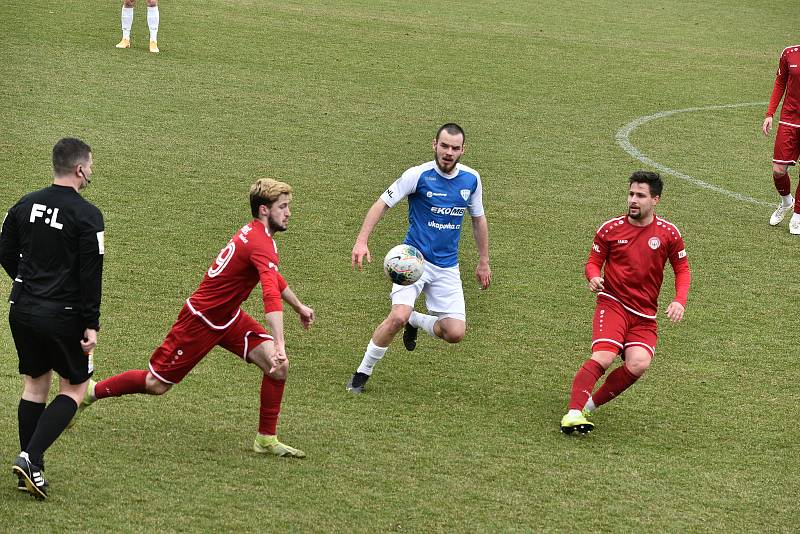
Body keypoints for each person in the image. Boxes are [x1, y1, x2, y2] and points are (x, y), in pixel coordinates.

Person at [76, 178, 313, 458]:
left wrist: (298, 306)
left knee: (277, 368)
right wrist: (281, 343)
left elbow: (270, 275)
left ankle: (266, 439)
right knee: (155, 384)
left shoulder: (257, 236)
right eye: (283, 207)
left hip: (228, 318)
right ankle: (90, 392)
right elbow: (270, 296)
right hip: (199, 321)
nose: (288, 213)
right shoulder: (261, 242)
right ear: (264, 210)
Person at [346, 123, 491, 394]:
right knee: (396, 317)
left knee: (455, 333)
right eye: (444, 146)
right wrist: (361, 241)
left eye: (455, 148)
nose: (449, 152)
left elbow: (478, 219)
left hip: (447, 267)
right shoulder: (418, 175)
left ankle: (415, 320)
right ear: (434, 145)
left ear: (463, 150)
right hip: (412, 261)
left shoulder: (472, 179)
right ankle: (361, 374)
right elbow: (382, 203)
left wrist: (483, 261)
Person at [0, 138, 104, 499]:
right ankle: (30, 457)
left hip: (23, 310)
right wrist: (91, 323)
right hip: (64, 316)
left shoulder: (24, 204)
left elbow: (5, 249)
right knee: (75, 388)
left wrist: (25, 280)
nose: (90, 171)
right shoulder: (88, 215)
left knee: (34, 386)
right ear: (79, 169)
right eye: (89, 165)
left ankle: (31, 470)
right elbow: (91, 274)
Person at [560, 171, 691, 434]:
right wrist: (594, 277)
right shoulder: (610, 229)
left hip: (644, 315)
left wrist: (679, 301)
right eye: (631, 194)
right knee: (605, 356)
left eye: (640, 195)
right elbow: (593, 262)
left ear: (655, 200)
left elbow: (683, 269)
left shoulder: (668, 233)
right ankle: (573, 413)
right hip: (613, 303)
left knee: (638, 363)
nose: (633, 200)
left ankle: (588, 406)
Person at [763, 45, 800, 233]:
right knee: (778, 170)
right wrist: (770, 113)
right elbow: (780, 82)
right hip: (789, 119)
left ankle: (798, 215)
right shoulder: (789, 53)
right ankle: (787, 202)